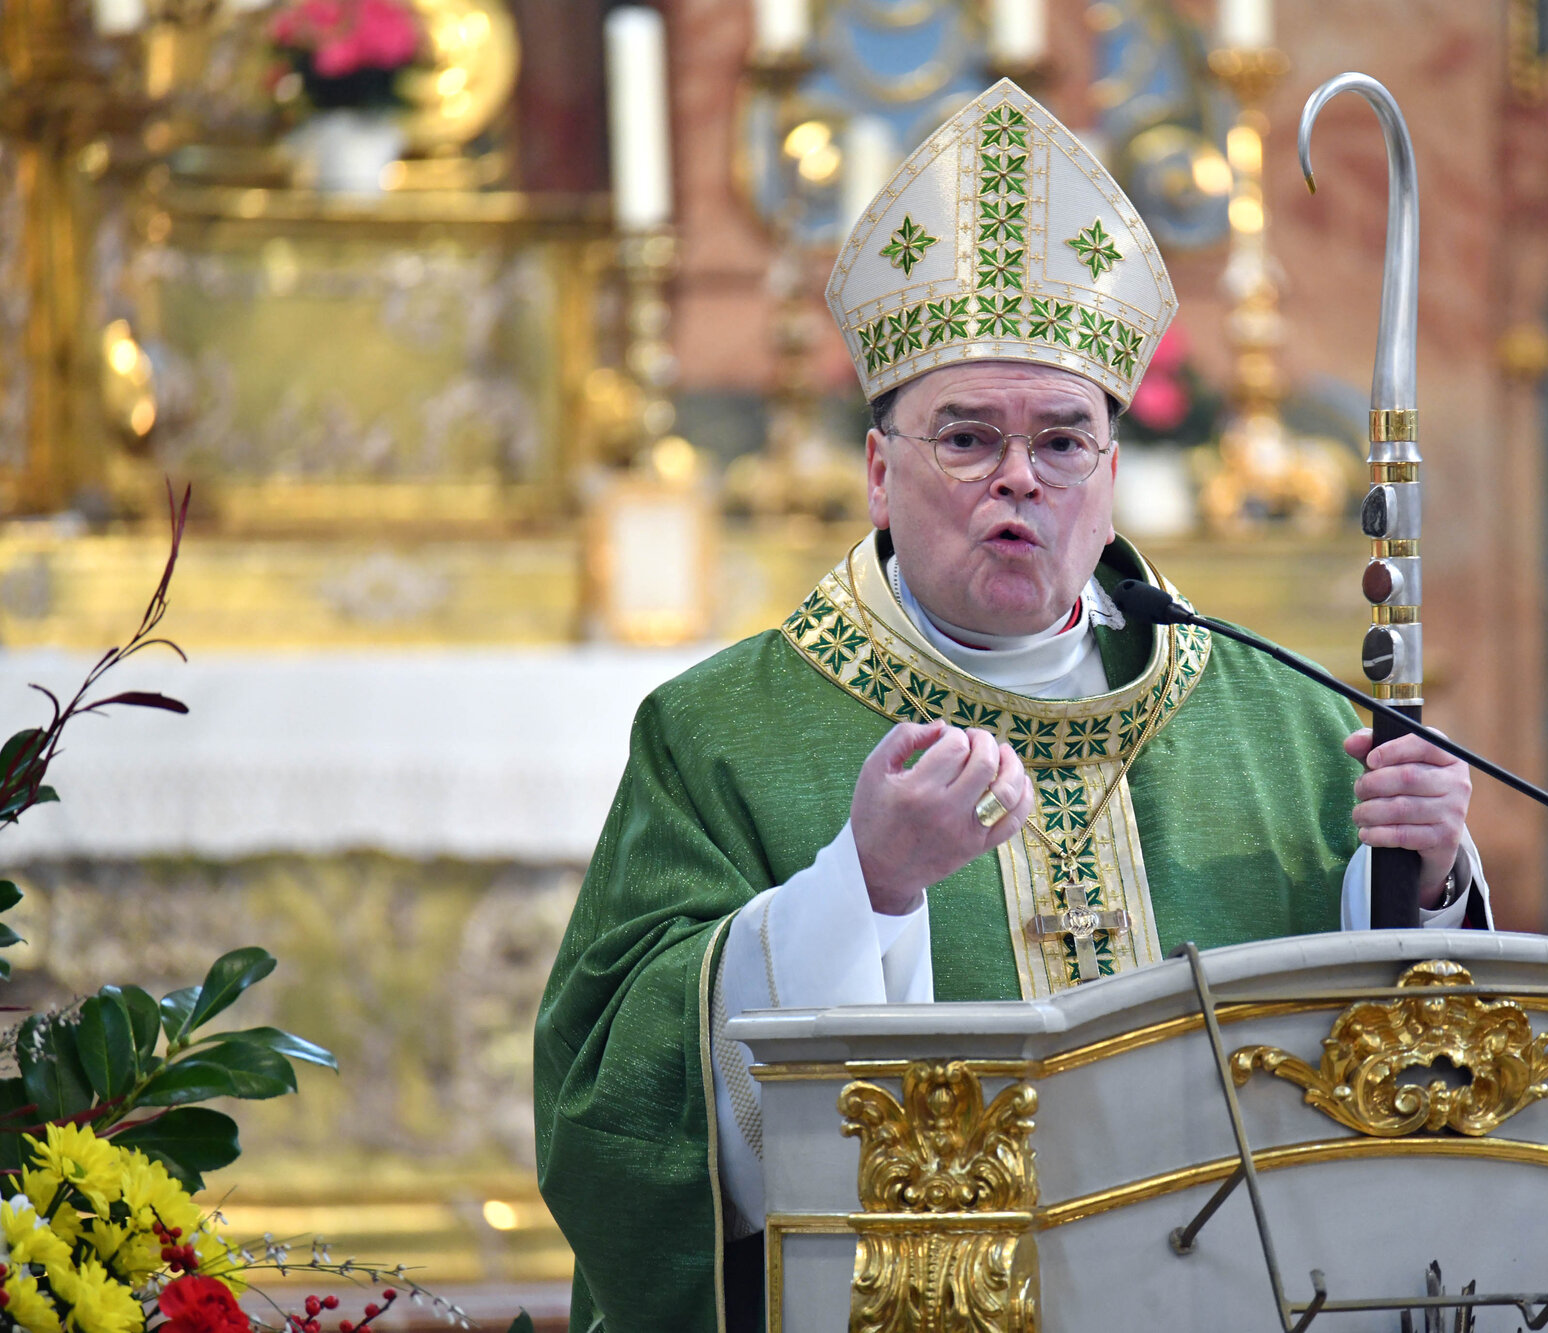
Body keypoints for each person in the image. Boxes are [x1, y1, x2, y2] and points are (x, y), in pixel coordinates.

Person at [534, 80, 1488, 1333]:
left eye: (1060, 441)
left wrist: (1421, 881)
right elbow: (607, 1107)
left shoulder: (1275, 714)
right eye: (966, 437)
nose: (1016, 483)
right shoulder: (719, 731)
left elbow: (1398, 1087)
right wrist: (860, 888)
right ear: (879, 471)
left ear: (1111, 467)